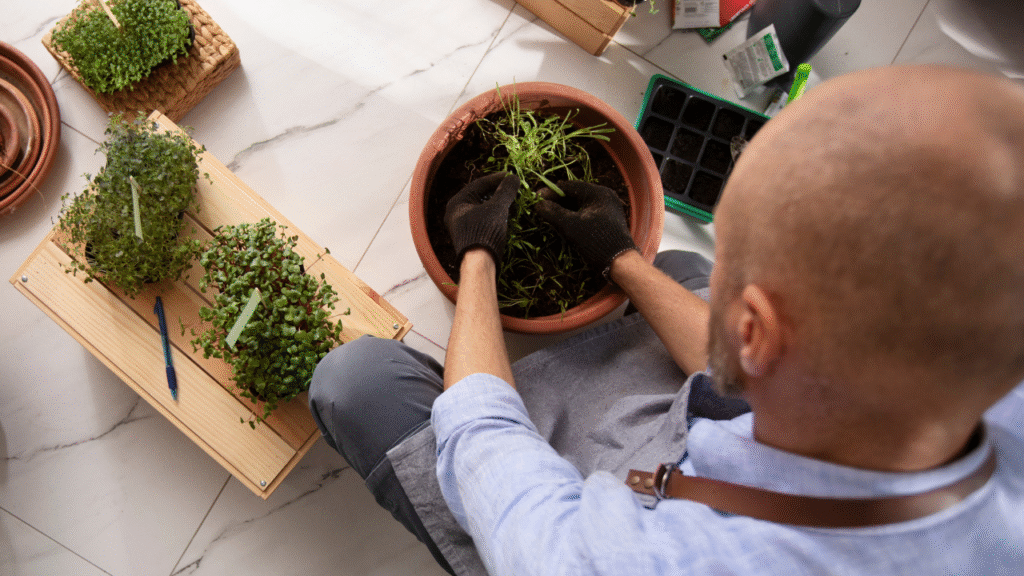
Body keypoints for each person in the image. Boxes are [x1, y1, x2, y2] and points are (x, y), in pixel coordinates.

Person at [309, 64, 1024, 575]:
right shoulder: (982, 382)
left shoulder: (631, 562)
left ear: (753, 333)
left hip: (567, 527)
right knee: (679, 270)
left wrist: (477, 258)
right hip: (728, 459)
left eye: (739, 276)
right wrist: (622, 258)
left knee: (355, 380)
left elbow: (482, 440)